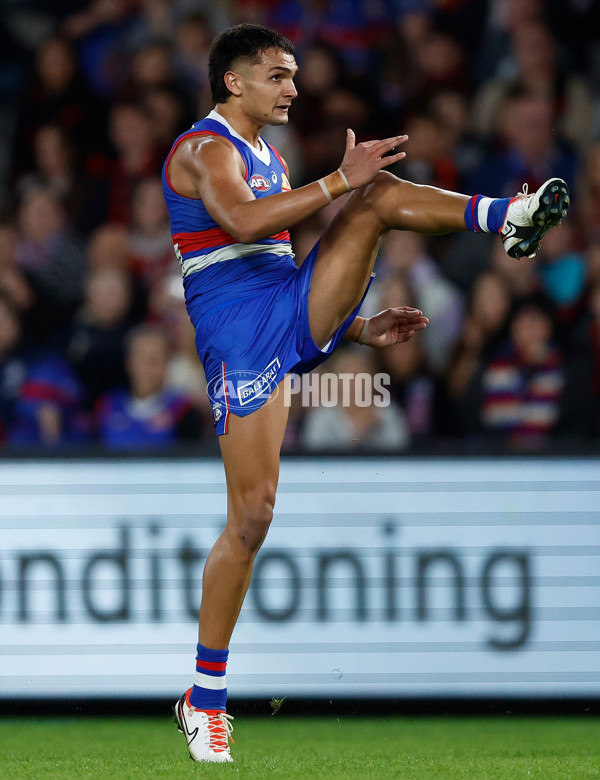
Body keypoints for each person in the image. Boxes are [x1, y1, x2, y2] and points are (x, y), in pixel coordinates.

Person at [162, 23, 569, 763]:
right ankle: (203, 698)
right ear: (234, 82)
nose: (292, 88)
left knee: (377, 197)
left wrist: (355, 326)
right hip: (235, 334)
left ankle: (507, 219)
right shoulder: (203, 149)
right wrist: (337, 181)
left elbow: (278, 261)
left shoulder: (268, 155)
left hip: (282, 308)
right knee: (251, 518)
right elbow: (245, 222)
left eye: (293, 76)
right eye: (278, 76)